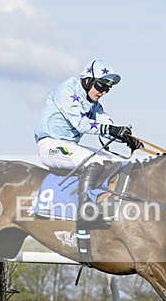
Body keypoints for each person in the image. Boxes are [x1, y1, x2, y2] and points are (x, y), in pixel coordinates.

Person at [34, 59, 142, 227]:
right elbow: (82, 124)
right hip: (50, 145)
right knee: (95, 161)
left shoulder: (94, 103)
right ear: (87, 80)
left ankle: (106, 204)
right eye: (101, 86)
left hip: (70, 146)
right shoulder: (67, 90)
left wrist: (127, 138)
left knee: (117, 162)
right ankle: (85, 210)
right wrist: (112, 130)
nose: (103, 91)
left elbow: (107, 123)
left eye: (107, 88)